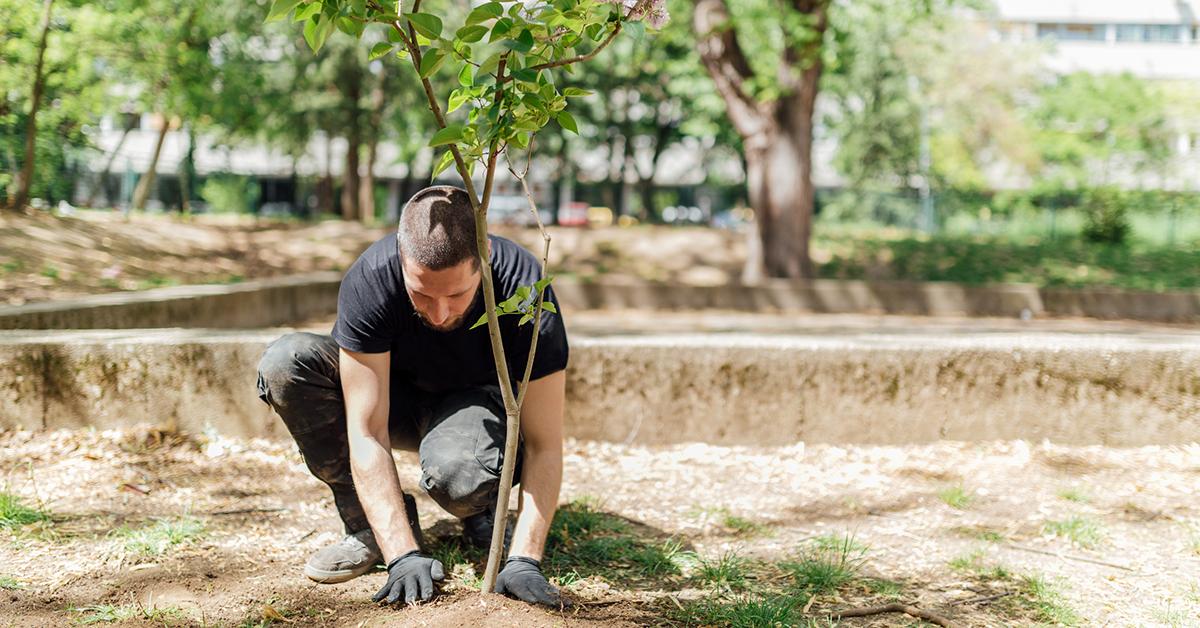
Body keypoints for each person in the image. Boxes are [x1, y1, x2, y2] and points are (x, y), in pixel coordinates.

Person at [255, 185, 568, 607]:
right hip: (395, 397)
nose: (439, 313)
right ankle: (367, 525)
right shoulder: (371, 279)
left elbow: (546, 443)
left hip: (473, 406)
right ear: (401, 257)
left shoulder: (524, 289)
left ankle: (479, 506)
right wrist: (402, 554)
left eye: (457, 295)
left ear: (485, 256)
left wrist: (525, 558)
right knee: (287, 362)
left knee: (459, 475)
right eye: (422, 294)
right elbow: (365, 432)